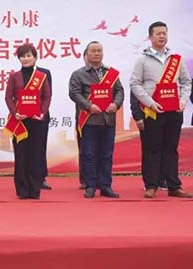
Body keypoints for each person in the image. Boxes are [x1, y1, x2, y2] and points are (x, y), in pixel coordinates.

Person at [130, 21, 192, 198]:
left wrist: (182, 101)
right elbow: (135, 84)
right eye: (158, 33)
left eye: (164, 33)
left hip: (174, 111)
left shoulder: (176, 60)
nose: (162, 36)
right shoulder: (142, 60)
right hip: (152, 111)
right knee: (152, 149)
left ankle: (174, 186)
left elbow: (186, 82)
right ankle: (151, 185)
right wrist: (150, 103)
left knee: (171, 149)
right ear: (150, 37)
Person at [68, 41, 124, 198]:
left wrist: (116, 104)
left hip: (108, 119)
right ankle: (90, 185)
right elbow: (74, 93)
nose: (97, 53)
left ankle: (105, 185)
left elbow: (119, 91)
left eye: (99, 50)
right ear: (87, 54)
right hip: (89, 120)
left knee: (106, 154)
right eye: (93, 51)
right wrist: (89, 106)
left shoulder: (111, 73)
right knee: (89, 154)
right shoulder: (78, 74)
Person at [4, 44, 51, 200]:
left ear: (35, 57)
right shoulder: (14, 76)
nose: (26, 59)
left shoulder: (41, 76)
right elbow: (8, 97)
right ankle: (22, 190)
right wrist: (15, 113)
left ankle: (35, 189)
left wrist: (42, 113)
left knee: (35, 155)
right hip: (19, 121)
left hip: (37, 121)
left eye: (29, 55)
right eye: (23, 56)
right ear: (19, 58)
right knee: (21, 155)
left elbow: (47, 96)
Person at [130, 92, 167, 190]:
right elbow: (135, 96)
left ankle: (161, 179)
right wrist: (138, 117)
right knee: (149, 150)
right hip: (147, 115)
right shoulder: (138, 82)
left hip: (164, 115)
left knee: (165, 148)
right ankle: (149, 181)